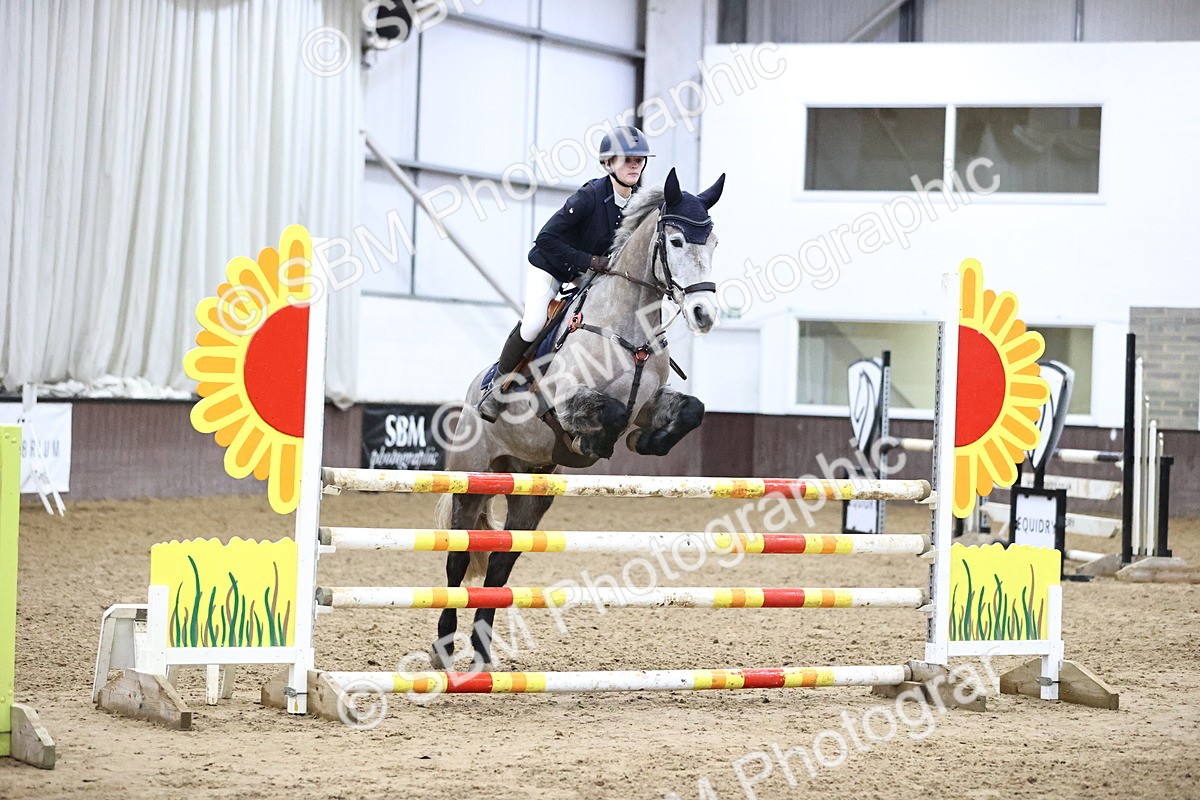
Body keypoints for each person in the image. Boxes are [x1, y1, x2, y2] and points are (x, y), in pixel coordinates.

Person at [477, 125, 653, 422]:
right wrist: (590, 261)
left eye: (639, 160)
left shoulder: (638, 205)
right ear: (608, 163)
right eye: (627, 159)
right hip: (551, 266)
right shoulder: (589, 197)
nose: (634, 165)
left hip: (588, 274)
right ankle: (497, 386)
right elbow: (545, 239)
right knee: (534, 323)